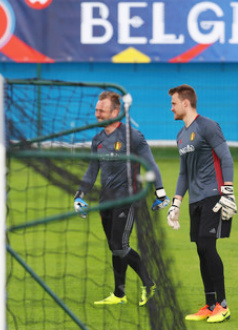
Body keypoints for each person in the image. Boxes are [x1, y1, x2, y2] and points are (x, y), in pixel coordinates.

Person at [73, 91, 169, 307]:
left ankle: (150, 284)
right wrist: (80, 196)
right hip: (105, 201)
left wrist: (160, 191)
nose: (97, 114)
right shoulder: (97, 139)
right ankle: (119, 294)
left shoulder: (133, 137)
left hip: (128, 199)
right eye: (96, 110)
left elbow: (151, 165)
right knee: (114, 247)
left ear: (115, 112)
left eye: (101, 110)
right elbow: (92, 170)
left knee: (120, 245)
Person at [166, 84, 237, 323]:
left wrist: (228, 192)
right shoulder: (180, 135)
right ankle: (209, 305)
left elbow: (226, 158)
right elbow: (183, 174)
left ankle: (223, 305)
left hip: (213, 197)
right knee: (200, 250)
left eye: (174, 103)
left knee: (208, 246)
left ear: (186, 103)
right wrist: (176, 203)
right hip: (195, 200)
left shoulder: (208, 126)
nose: (171, 108)